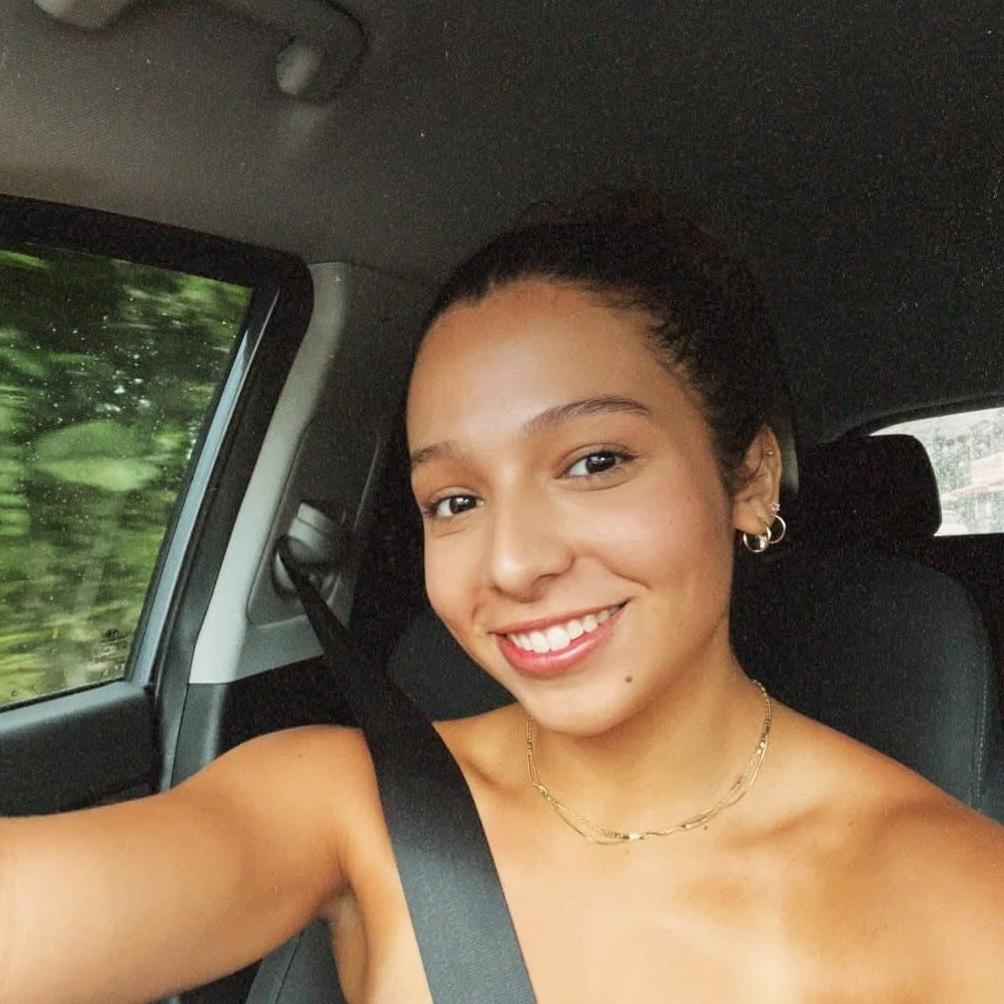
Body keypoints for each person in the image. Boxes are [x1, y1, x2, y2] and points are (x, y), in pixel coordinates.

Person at [1, 195, 1002, 1003]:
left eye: (594, 461)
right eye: (455, 500)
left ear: (747, 480)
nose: (512, 563)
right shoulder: (351, 804)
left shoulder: (955, 895)